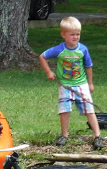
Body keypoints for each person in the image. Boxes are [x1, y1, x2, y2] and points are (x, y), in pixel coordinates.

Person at [39, 16, 103, 150]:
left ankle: (97, 135)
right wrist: (49, 72)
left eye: (78, 34)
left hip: (81, 84)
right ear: (63, 34)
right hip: (65, 86)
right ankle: (64, 135)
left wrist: (90, 83)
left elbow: (88, 66)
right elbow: (42, 56)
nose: (75, 37)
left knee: (89, 110)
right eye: (72, 34)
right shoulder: (59, 49)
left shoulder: (83, 49)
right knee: (64, 110)